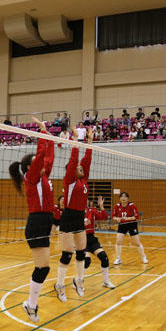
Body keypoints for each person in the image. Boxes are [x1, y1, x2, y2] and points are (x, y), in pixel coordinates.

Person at [8, 118, 55, 322]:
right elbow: (42, 156)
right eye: (37, 162)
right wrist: (42, 132)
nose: (42, 163)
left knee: (44, 268)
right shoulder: (32, 177)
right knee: (43, 268)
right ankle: (31, 304)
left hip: (45, 222)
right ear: (30, 167)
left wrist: (50, 138)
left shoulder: (43, 176)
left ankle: (31, 304)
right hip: (36, 223)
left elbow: (49, 157)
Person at [55, 127, 94, 302]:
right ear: (71, 171)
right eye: (78, 168)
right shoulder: (69, 180)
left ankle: (79, 280)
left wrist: (90, 141)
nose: (81, 168)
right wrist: (76, 140)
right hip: (68, 217)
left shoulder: (83, 180)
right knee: (67, 254)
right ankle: (59, 284)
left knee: (81, 253)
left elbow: (87, 160)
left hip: (79, 217)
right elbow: (74, 160)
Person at [83, 196, 115, 289]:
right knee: (86, 261)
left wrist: (101, 206)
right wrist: (81, 224)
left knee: (104, 258)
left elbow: (104, 217)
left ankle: (106, 281)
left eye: (86, 199)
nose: (85, 200)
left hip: (91, 239)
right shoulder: (76, 213)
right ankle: (78, 281)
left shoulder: (92, 210)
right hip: (80, 239)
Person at [112, 192, 147, 264]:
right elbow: (113, 216)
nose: (123, 198)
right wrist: (117, 219)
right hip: (122, 224)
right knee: (118, 241)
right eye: (122, 197)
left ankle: (143, 256)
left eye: (125, 197)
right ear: (119, 198)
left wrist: (128, 218)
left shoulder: (132, 205)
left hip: (132, 224)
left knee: (136, 242)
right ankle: (118, 258)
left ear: (128, 199)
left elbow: (136, 216)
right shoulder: (117, 206)